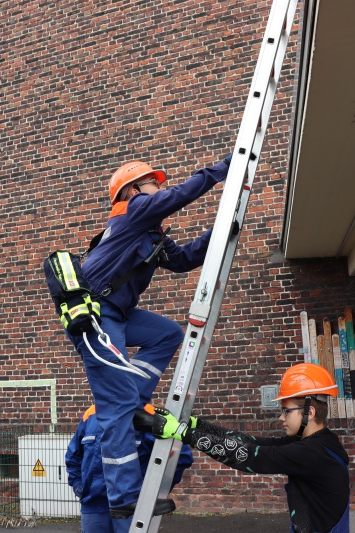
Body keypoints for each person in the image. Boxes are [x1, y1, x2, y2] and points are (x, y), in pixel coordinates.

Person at [67, 156, 231, 518]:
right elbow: (176, 197)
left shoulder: (149, 232)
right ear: (133, 190)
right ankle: (123, 496)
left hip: (119, 314)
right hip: (98, 314)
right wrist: (222, 170)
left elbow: (183, 259)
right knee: (116, 406)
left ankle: (134, 405)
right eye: (153, 182)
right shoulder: (133, 210)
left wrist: (218, 231)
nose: (160, 187)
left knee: (167, 334)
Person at [151, 363, 350, 533]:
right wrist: (197, 425)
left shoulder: (311, 453)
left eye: (286, 411)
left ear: (310, 412)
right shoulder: (317, 443)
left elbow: (249, 456)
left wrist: (182, 433)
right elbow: (251, 443)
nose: (281, 417)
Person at [65, 404, 194, 533]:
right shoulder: (91, 414)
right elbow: (73, 457)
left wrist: (151, 493)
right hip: (94, 507)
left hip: (132, 508)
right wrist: (79, 487)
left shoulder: (148, 413)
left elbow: (180, 456)